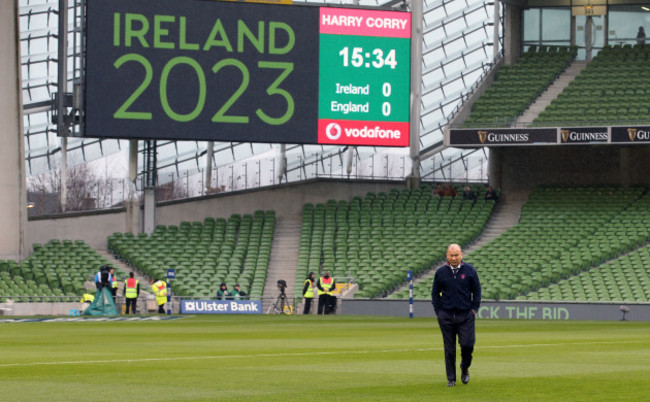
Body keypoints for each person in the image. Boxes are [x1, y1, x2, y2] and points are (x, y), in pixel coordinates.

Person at [431, 244, 481, 387]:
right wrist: (439, 312)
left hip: (465, 315)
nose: (454, 258)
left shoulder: (470, 271)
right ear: (447, 256)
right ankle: (451, 379)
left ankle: (465, 367)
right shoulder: (440, 272)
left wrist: (474, 309)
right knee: (449, 348)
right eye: (451, 255)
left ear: (461, 255)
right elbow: (435, 293)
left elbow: (476, 291)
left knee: (468, 344)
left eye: (456, 255)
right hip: (446, 315)